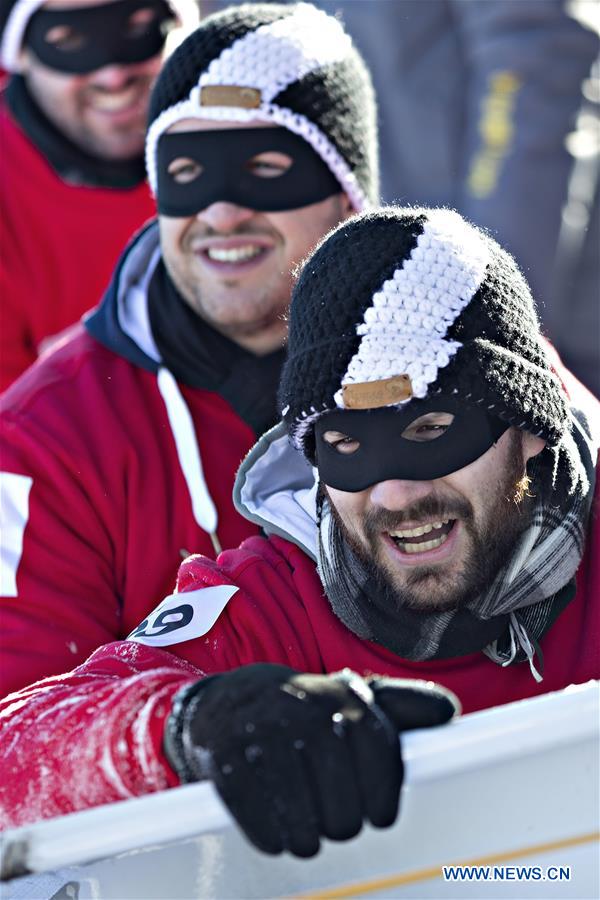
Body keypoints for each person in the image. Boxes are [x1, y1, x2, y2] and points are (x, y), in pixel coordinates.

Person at [1, 207, 597, 855]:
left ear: (531, 428)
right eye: (347, 444)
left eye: (430, 432)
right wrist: (191, 725)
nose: (396, 495)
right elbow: (16, 761)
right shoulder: (273, 594)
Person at [0, 3, 377, 696]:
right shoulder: (44, 439)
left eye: (265, 167)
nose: (221, 213)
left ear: (350, 195)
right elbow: (14, 734)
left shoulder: (465, 346)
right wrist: (182, 725)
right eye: (187, 173)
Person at [0, 0, 195, 389]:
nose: (113, 77)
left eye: (138, 25)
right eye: (69, 38)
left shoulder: (255, 140)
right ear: (18, 52)